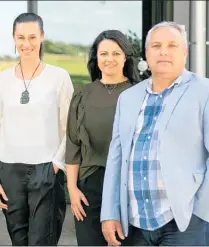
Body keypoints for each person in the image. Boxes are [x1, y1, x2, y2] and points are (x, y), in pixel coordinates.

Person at [100, 21, 209, 246]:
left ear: (184, 51)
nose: (163, 51)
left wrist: (201, 212)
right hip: (134, 223)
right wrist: (110, 212)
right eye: (156, 45)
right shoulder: (128, 98)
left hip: (184, 222)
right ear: (147, 53)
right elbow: (116, 158)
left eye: (172, 45)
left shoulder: (208, 92)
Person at [0, 12, 73, 245]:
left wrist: (56, 164)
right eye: (21, 37)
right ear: (14, 39)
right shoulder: (2, 80)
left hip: (45, 169)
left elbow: (70, 128)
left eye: (32, 37)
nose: (26, 44)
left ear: (42, 37)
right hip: (10, 171)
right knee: (19, 240)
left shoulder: (59, 77)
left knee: (42, 241)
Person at [65, 30, 140, 246]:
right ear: (95, 58)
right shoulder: (82, 95)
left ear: (126, 57)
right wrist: (72, 189)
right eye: (104, 53)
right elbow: (73, 144)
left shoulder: (139, 93)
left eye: (116, 53)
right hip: (89, 185)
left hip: (128, 184)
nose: (109, 59)